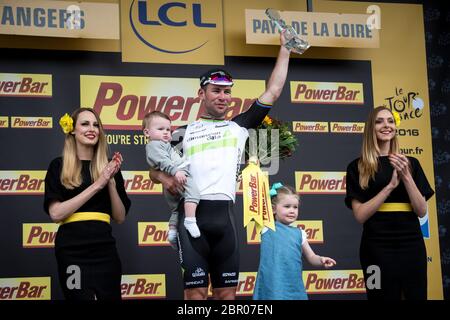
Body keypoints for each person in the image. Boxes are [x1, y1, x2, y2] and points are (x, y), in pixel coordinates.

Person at [150, 32, 292, 300]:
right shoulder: (182, 133)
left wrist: (284, 50)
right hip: (192, 220)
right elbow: (153, 169)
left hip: (225, 221)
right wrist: (165, 178)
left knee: (227, 297)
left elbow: (273, 91)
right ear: (200, 93)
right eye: (216, 91)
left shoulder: (237, 127)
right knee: (195, 297)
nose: (223, 97)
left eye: (227, 92)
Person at [345, 106, 434, 300]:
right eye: (379, 121)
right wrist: (389, 187)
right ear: (371, 128)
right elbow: (360, 215)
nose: (386, 125)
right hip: (374, 248)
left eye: (390, 121)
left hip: (412, 246)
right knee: (377, 297)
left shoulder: (411, 163)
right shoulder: (357, 167)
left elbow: (421, 210)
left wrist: (406, 176)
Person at [43, 108, 131, 300]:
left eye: (95, 124)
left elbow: (120, 217)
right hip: (71, 253)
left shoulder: (109, 167)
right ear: (72, 130)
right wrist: (98, 184)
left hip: (105, 251)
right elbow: (56, 214)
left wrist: (109, 181)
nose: (92, 129)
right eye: (85, 124)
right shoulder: (58, 166)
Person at [253, 183, 336, 300]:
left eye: (295, 207)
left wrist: (321, 260)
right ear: (273, 209)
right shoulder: (267, 227)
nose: (292, 210)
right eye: (287, 206)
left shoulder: (300, 233)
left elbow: (311, 256)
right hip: (272, 286)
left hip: (294, 286)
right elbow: (254, 203)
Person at [143, 111, 201, 247]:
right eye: (161, 129)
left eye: (168, 130)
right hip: (179, 179)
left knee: (175, 209)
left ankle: (172, 232)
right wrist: (173, 173)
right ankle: (190, 221)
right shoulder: (155, 145)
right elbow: (160, 163)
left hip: (178, 179)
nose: (166, 132)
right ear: (147, 132)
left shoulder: (165, 144)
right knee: (192, 195)